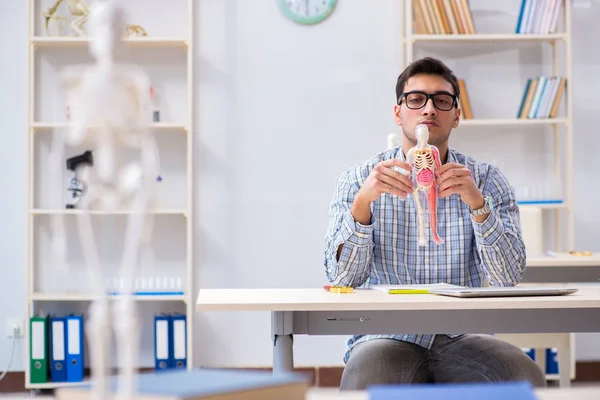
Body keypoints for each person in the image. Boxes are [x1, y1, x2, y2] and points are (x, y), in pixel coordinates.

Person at [323, 57, 546, 389]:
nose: (429, 109)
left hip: (464, 333)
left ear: (457, 115)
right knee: (364, 384)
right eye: (416, 99)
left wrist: (477, 204)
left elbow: (508, 277)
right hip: (386, 335)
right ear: (398, 112)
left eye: (442, 101)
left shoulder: (485, 179)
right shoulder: (358, 180)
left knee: (525, 378)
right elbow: (341, 278)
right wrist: (362, 205)